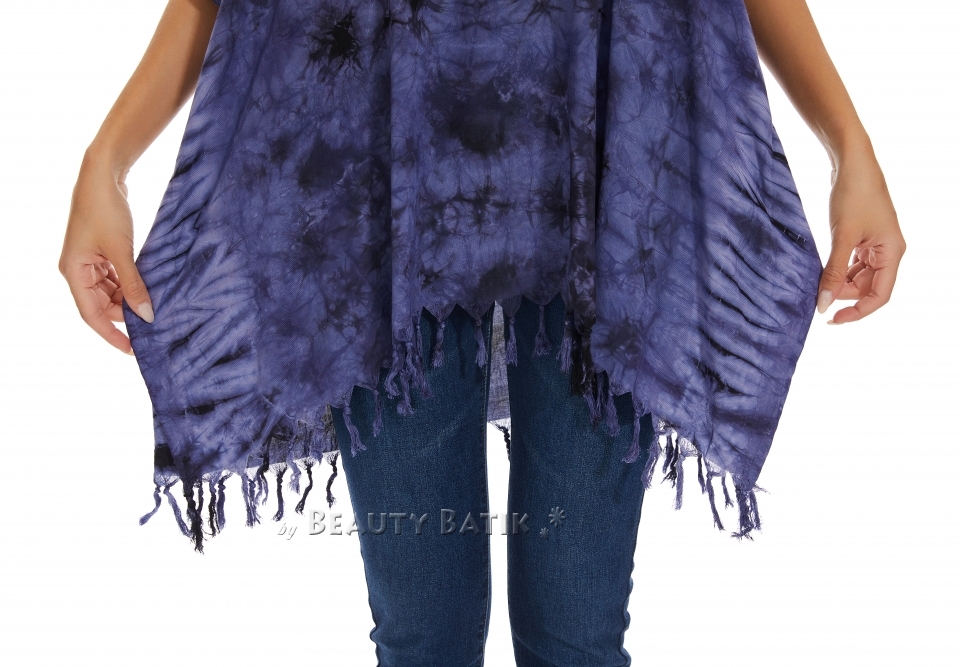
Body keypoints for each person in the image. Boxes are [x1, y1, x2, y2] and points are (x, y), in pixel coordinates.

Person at [58, 1, 905, 665]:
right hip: (378, 192)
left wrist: (850, 146)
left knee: (576, 631)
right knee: (424, 634)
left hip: (604, 171)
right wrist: (107, 162)